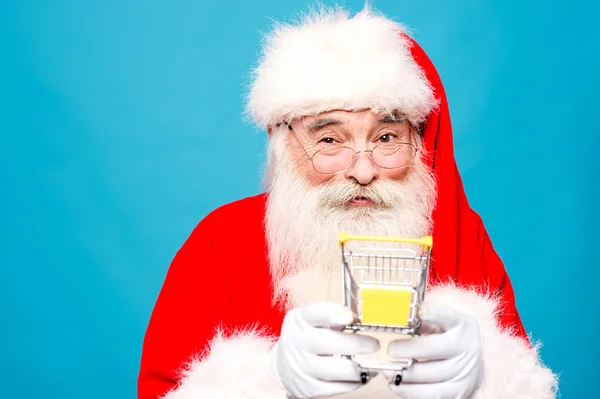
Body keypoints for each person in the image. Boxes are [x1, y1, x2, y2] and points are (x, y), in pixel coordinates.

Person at [137, 5, 558, 399]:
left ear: (421, 143)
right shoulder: (220, 241)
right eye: (329, 140)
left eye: (387, 138)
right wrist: (269, 377)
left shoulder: (462, 236)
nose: (362, 171)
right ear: (283, 147)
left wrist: (487, 374)